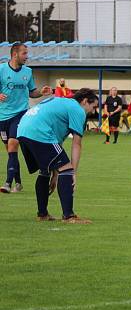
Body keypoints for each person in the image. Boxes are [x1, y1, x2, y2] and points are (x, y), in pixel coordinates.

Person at [17, 88, 98, 223]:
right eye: (93, 106)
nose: (93, 111)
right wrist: (73, 172)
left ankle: (42, 214)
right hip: (39, 132)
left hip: (23, 129)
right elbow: (76, 144)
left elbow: (56, 145)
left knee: (45, 171)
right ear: (84, 101)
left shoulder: (62, 102)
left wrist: (56, 174)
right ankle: (69, 216)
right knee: (66, 168)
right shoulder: (77, 110)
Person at [0, 42, 52, 193]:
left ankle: (7, 183)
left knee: (13, 144)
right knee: (11, 151)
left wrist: (41, 92)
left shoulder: (28, 72)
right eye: (24, 53)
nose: (26, 56)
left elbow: (32, 92)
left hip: (21, 113)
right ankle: (18, 182)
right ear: (14, 54)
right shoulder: (1, 69)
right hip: (3, 117)